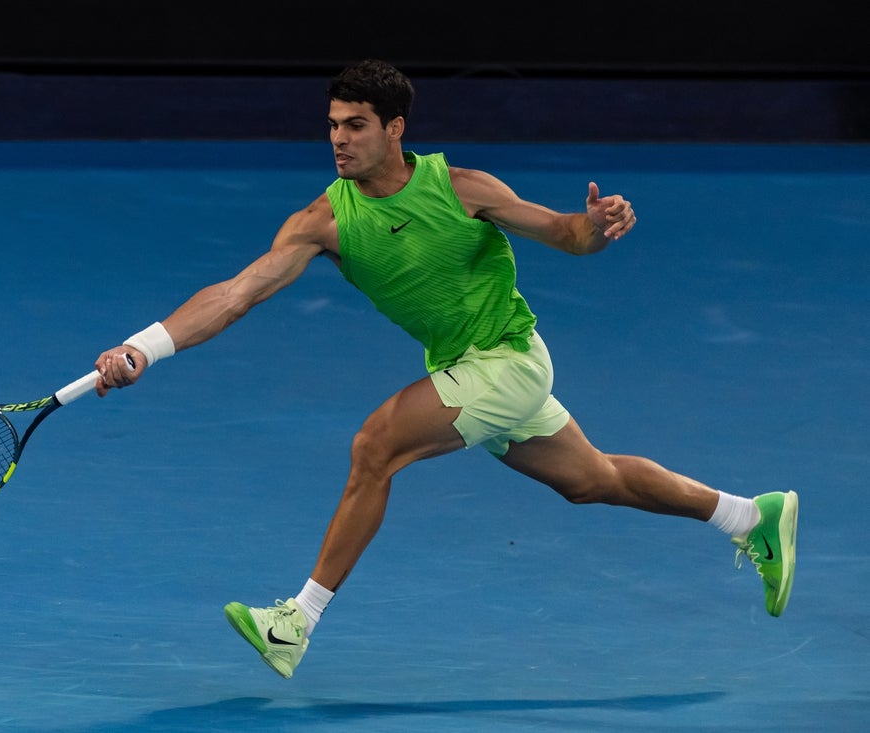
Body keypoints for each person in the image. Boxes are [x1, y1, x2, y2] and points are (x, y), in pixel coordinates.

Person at [93, 59, 798, 680]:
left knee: (375, 446)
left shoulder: (461, 188)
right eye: (333, 125)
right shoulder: (322, 222)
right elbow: (235, 293)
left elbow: (566, 234)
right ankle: (747, 515)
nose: (339, 139)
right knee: (593, 481)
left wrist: (598, 223)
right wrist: (141, 347)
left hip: (508, 361)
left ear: (394, 129)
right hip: (471, 369)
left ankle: (295, 622)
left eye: (356, 125)